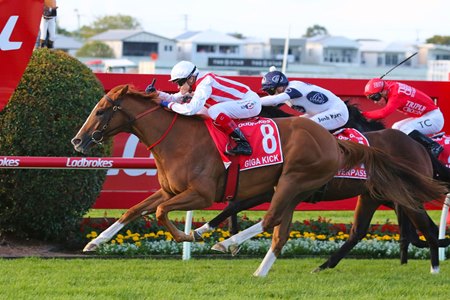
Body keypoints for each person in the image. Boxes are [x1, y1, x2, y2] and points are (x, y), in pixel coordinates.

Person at [148, 61, 261, 156]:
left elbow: (190, 109)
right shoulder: (197, 84)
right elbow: (174, 98)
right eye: (176, 83)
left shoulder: (205, 84)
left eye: (180, 82)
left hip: (250, 103)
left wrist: (166, 104)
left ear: (191, 79)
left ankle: (243, 143)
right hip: (243, 102)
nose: (178, 87)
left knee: (213, 111)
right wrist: (156, 93)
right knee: (206, 112)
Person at [363, 78, 444, 157]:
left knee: (405, 128)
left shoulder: (396, 95)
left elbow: (383, 113)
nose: (375, 102)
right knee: (396, 127)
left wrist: (362, 114)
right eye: (371, 99)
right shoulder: (389, 86)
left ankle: (433, 146)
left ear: (384, 92)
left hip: (434, 119)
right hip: (425, 115)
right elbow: (380, 83)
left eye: (375, 97)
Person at [260, 67, 349, 132]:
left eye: (271, 90)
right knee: (295, 124)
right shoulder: (285, 91)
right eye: (268, 91)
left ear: (280, 85)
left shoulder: (295, 87)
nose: (271, 93)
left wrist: (254, 102)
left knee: (305, 126)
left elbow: (275, 100)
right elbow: (273, 101)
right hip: (322, 112)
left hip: (338, 112)